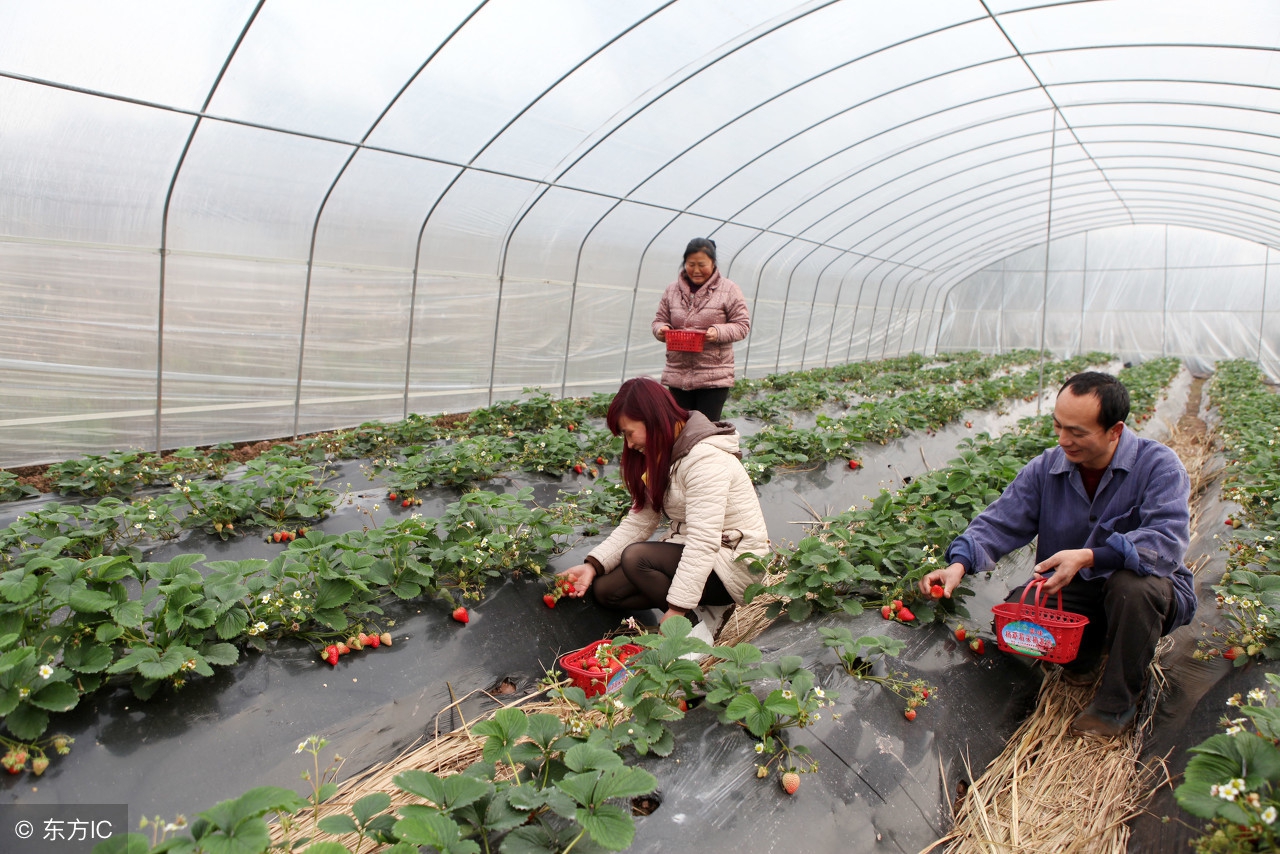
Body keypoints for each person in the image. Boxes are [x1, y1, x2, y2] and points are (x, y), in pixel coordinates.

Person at [918, 371, 1195, 738]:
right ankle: (1089, 652)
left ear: (1115, 430)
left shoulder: (1158, 466)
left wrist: (1090, 556)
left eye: (1078, 432)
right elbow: (1000, 522)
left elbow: (1167, 542)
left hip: (1145, 592)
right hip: (1075, 591)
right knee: (1014, 621)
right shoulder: (1047, 468)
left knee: (1132, 589)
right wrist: (959, 564)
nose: (1064, 439)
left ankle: (1117, 704)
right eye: (1058, 426)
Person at [556, 377, 769, 643]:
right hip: (696, 552)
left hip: (732, 564)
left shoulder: (706, 459)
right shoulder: (661, 455)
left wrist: (677, 608)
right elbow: (640, 522)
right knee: (605, 591)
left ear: (652, 418)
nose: (629, 444)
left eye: (629, 433)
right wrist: (593, 565)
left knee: (637, 558)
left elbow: (704, 541)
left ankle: (693, 634)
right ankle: (696, 610)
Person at [652, 237, 751, 421]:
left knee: (704, 431)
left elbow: (742, 325)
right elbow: (659, 320)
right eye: (691, 264)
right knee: (679, 430)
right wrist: (661, 329)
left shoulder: (729, 289)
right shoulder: (672, 290)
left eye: (702, 264)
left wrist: (717, 332)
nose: (696, 270)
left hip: (713, 378)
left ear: (713, 263)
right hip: (678, 374)